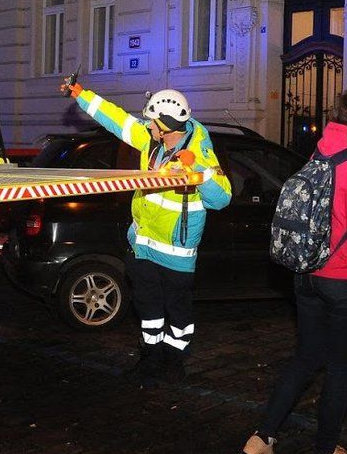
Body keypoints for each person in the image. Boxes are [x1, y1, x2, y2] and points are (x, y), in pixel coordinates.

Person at [243, 85, 347, 454]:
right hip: (345, 277)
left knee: (306, 356)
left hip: (307, 272)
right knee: (341, 366)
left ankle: (263, 436)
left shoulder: (322, 149)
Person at [60, 79, 231, 384]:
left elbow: (222, 198)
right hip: (142, 245)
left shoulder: (199, 150)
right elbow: (117, 120)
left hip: (176, 252)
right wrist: (81, 95)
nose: (147, 126)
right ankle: (150, 358)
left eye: (153, 122)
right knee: (147, 307)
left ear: (166, 126)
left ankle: (175, 359)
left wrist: (197, 174)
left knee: (178, 313)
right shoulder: (151, 139)